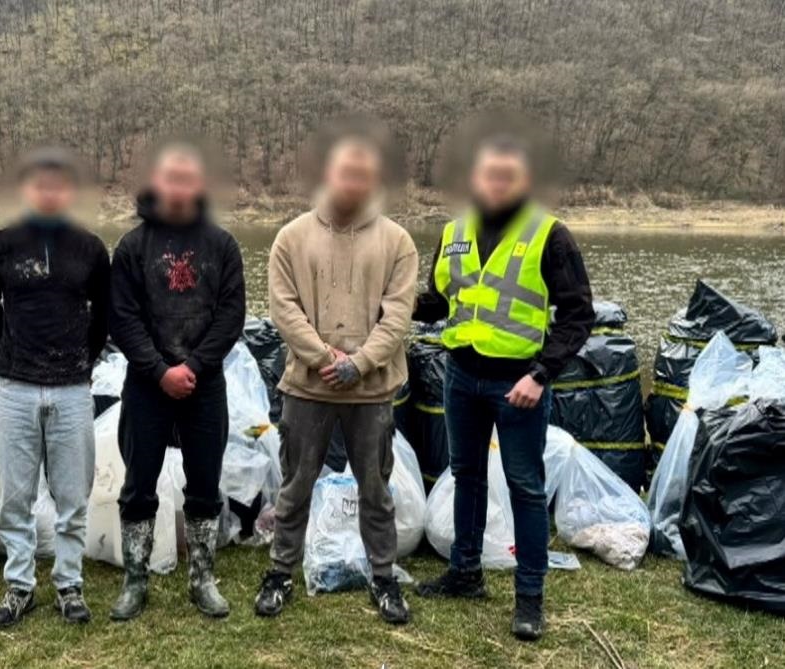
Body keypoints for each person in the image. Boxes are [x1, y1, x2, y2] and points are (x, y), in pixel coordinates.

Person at [412, 136, 594, 641]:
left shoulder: (549, 235)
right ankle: (465, 572)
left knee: (525, 487)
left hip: (519, 382)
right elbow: (442, 302)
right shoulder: (454, 232)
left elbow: (578, 313)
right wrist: (396, 301)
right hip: (460, 376)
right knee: (466, 475)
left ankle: (529, 597)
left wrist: (541, 375)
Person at [254, 136, 418, 625]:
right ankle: (280, 572)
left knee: (376, 488)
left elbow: (398, 315)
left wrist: (360, 363)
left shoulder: (398, 242)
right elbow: (284, 308)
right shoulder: (290, 238)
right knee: (295, 485)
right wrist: (324, 357)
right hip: (307, 386)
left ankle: (383, 576)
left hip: (372, 389)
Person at [108, 144, 245, 621]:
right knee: (138, 484)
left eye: (188, 179)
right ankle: (135, 580)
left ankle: (202, 579)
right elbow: (122, 319)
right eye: (171, 179)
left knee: (204, 485)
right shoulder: (132, 247)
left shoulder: (223, 245)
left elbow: (231, 316)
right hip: (147, 384)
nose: (179, 188)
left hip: (204, 384)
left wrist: (195, 366)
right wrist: (159, 370)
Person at [0, 149, 110, 628]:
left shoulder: (91, 250)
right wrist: (6, 360)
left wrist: (82, 362)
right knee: (15, 497)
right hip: (15, 389)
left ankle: (69, 584)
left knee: (73, 496)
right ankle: (19, 585)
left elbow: (103, 315)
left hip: (72, 389)